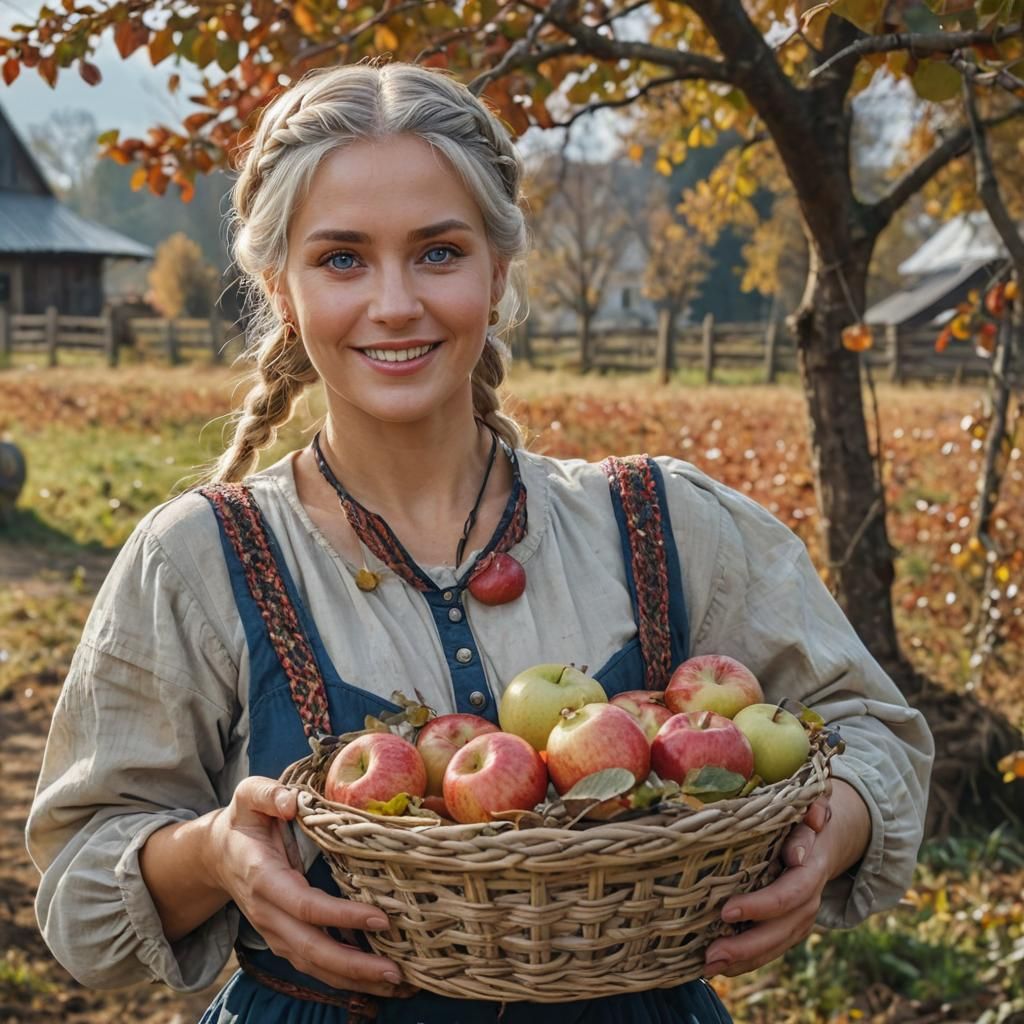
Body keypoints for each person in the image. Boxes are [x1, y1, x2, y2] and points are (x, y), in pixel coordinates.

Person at [26, 61, 934, 1024]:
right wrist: (214, 853)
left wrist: (829, 837)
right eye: (342, 259)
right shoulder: (200, 559)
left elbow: (871, 730)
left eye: (438, 252)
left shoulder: (661, 524)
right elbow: (83, 892)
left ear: (498, 270)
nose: (394, 303)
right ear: (278, 287)